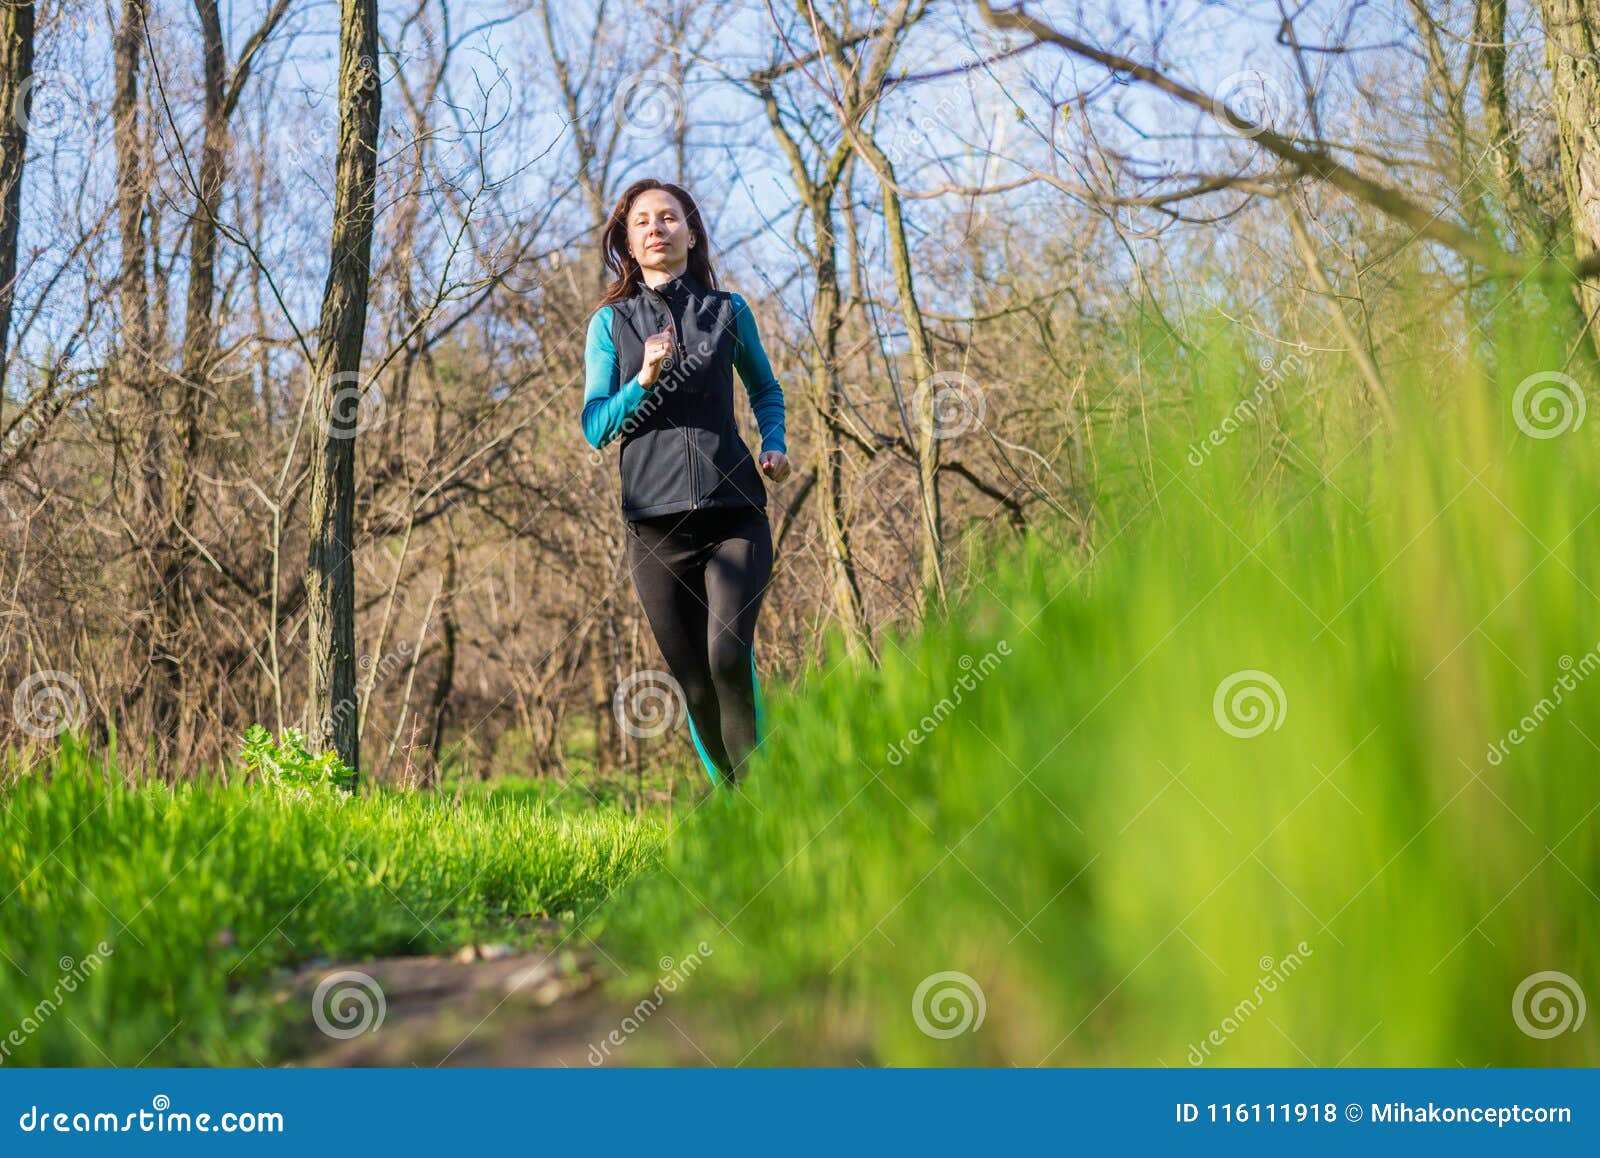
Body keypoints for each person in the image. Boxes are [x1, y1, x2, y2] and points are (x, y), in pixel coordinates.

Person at [580, 178, 792, 787]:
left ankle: (766, 804)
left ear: (690, 233)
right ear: (626, 239)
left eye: (669, 217)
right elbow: (597, 427)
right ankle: (734, 806)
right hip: (655, 527)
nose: (656, 227)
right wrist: (643, 380)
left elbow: (766, 391)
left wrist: (773, 444)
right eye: (642, 219)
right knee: (695, 683)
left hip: (734, 514)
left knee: (729, 656)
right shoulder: (610, 325)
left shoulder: (727, 311)